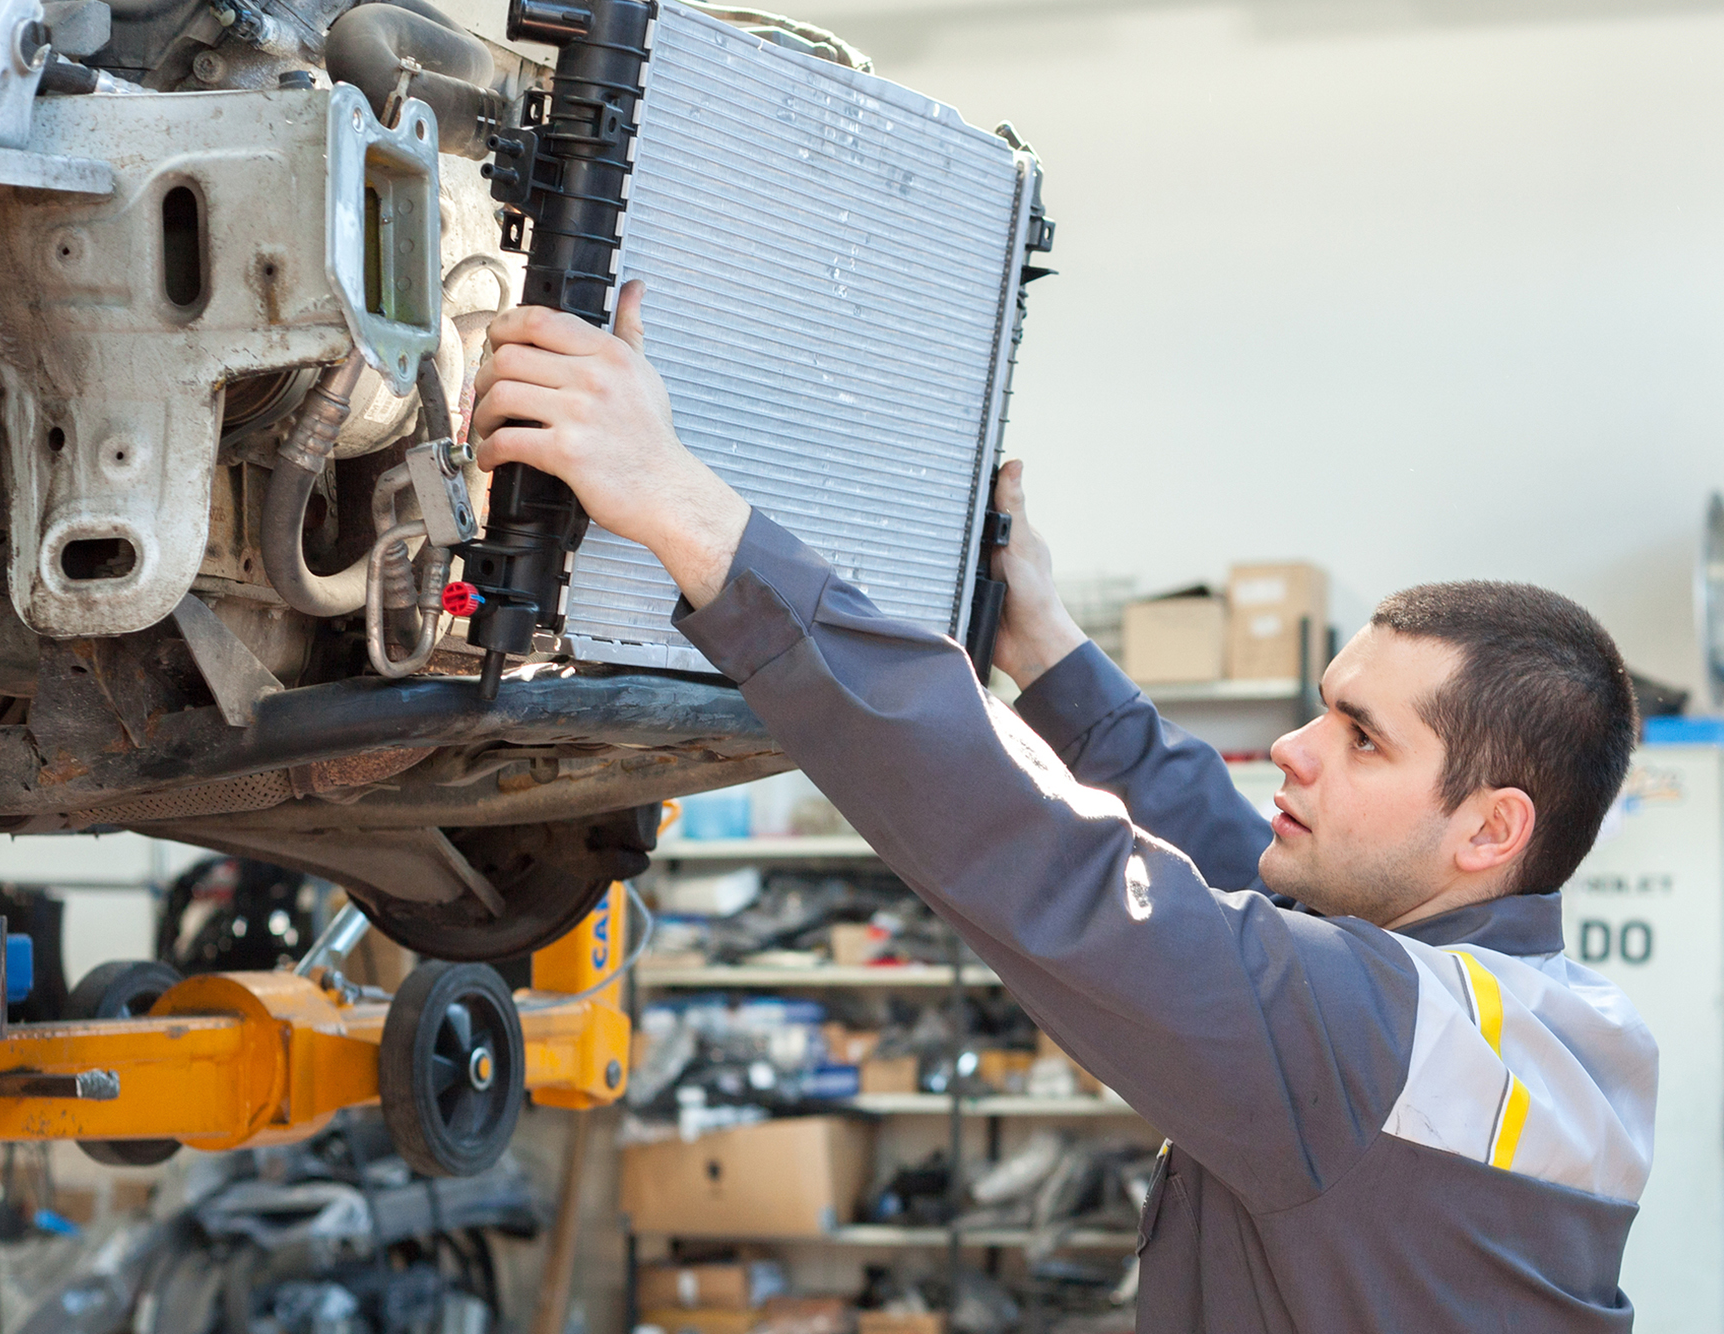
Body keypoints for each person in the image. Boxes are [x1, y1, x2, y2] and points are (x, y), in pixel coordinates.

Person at [469, 282, 1657, 1332]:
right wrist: (1043, 643)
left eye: (1358, 735)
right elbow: (1238, 865)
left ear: (1489, 826)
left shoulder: (1365, 1036)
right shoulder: (1552, 1027)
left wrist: (683, 508)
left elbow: (1041, 859)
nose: (1293, 751)